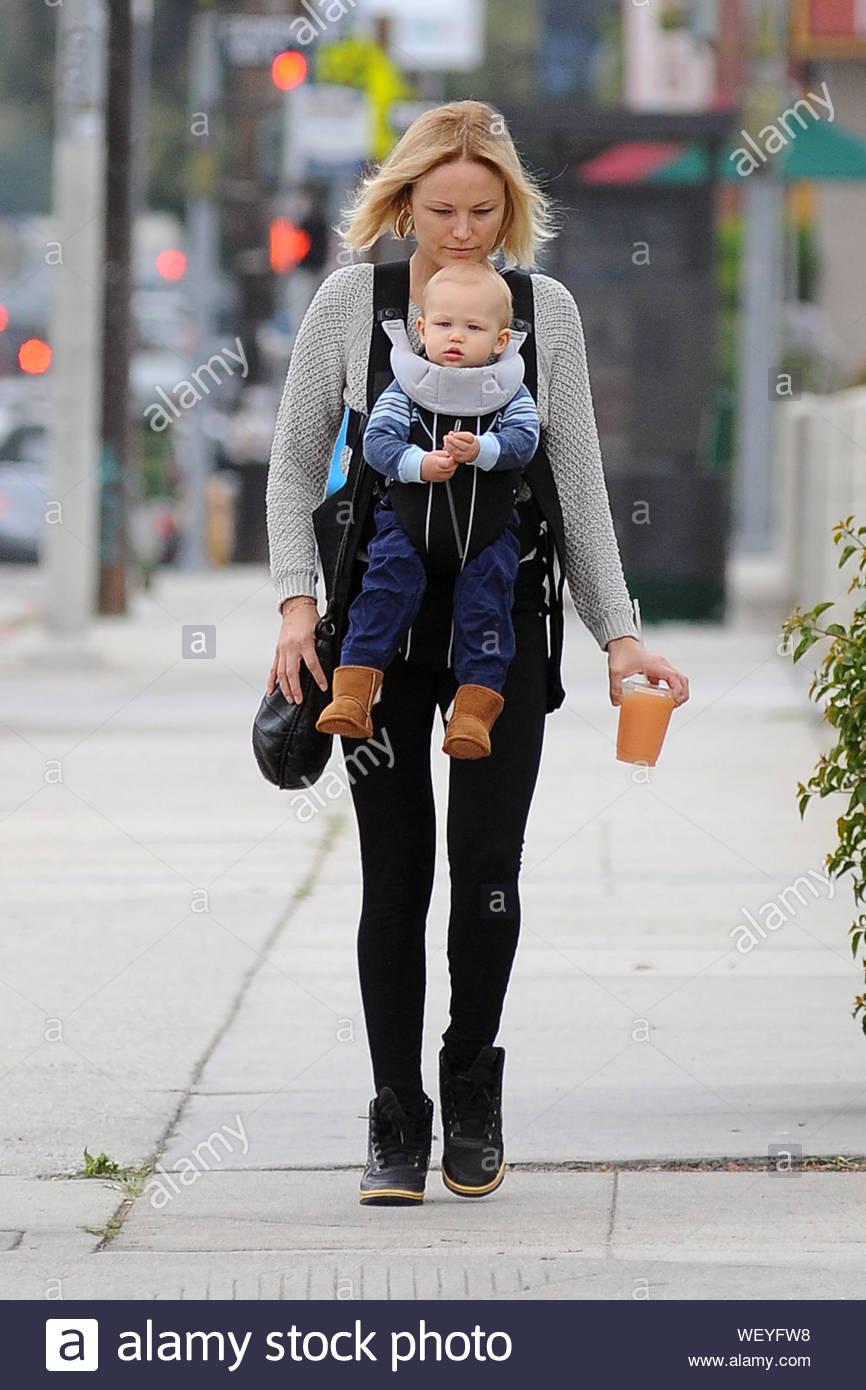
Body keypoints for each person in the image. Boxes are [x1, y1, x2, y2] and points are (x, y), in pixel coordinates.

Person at [265, 100, 690, 1207]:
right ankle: (394, 1118)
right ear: (402, 204)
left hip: (506, 646)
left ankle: (472, 1086)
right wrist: (292, 607)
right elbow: (291, 463)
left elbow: (577, 484)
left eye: (483, 210)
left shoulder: (544, 313)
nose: (461, 230)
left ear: (510, 211)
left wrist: (618, 635)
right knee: (393, 878)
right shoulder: (346, 306)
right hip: (379, 642)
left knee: (486, 877)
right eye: (441, 208)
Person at [316, 261, 541, 760]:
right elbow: (377, 443)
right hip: (407, 521)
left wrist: (481, 451)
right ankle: (354, 690)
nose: (456, 338)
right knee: (385, 584)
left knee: (488, 605)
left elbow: (524, 442)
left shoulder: (508, 391)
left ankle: (474, 709)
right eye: (444, 325)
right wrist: (419, 463)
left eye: (473, 328)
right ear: (421, 330)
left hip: (488, 529)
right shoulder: (407, 386)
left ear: (501, 340)